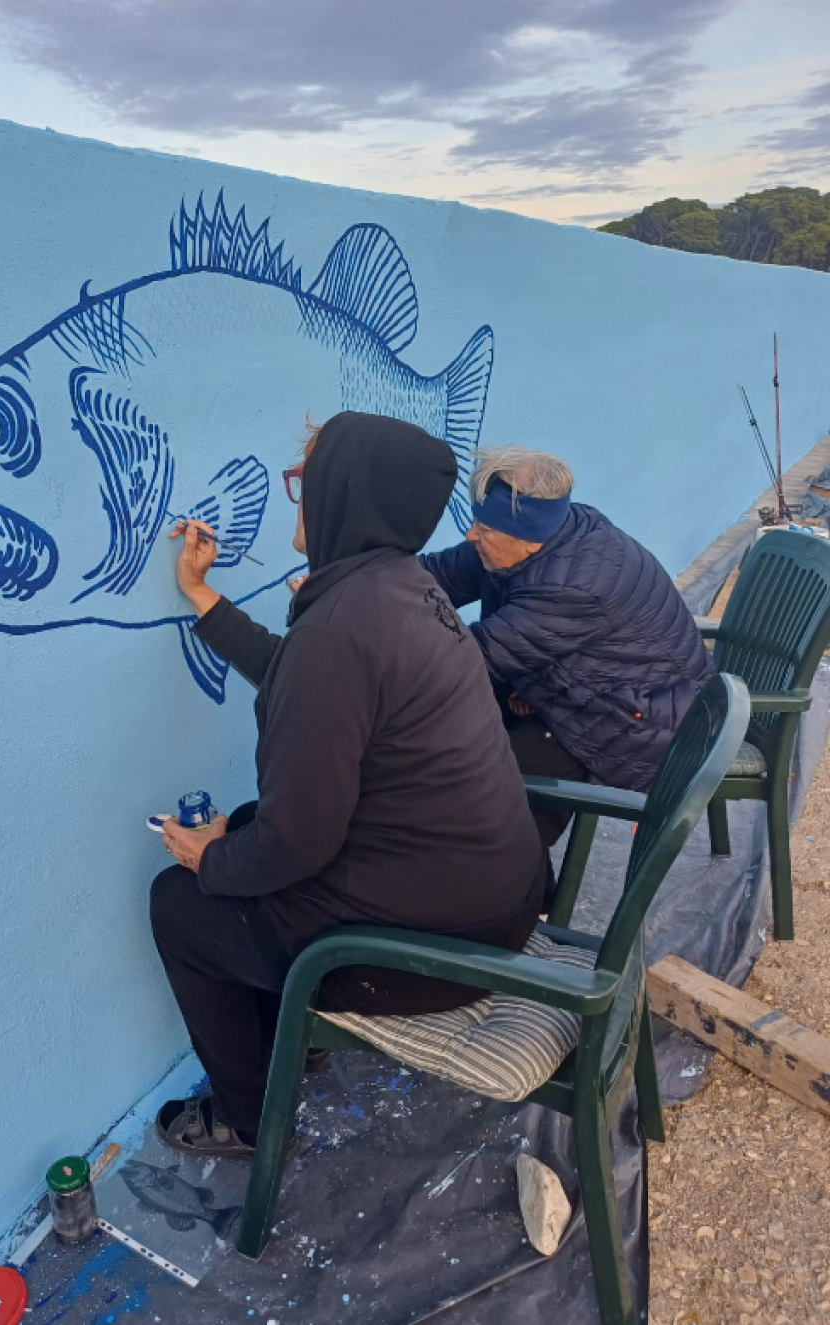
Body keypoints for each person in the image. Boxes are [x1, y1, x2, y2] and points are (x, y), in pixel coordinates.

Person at [150, 413, 547, 1157]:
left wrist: (210, 860)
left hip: (442, 955)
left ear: (345, 495)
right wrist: (203, 597)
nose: (296, 496)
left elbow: (297, 840)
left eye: (307, 480)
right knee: (243, 827)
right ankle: (300, 1046)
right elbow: (303, 676)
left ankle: (247, 1119)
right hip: (498, 904)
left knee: (181, 901)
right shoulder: (404, 590)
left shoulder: (340, 628)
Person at [420, 445, 714, 850]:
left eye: (485, 531)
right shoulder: (548, 533)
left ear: (528, 539)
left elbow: (468, 661)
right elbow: (438, 575)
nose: (473, 535)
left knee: (482, 789)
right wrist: (360, 583)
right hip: (580, 689)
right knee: (452, 747)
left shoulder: (571, 586)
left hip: (635, 721)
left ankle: (518, 898)